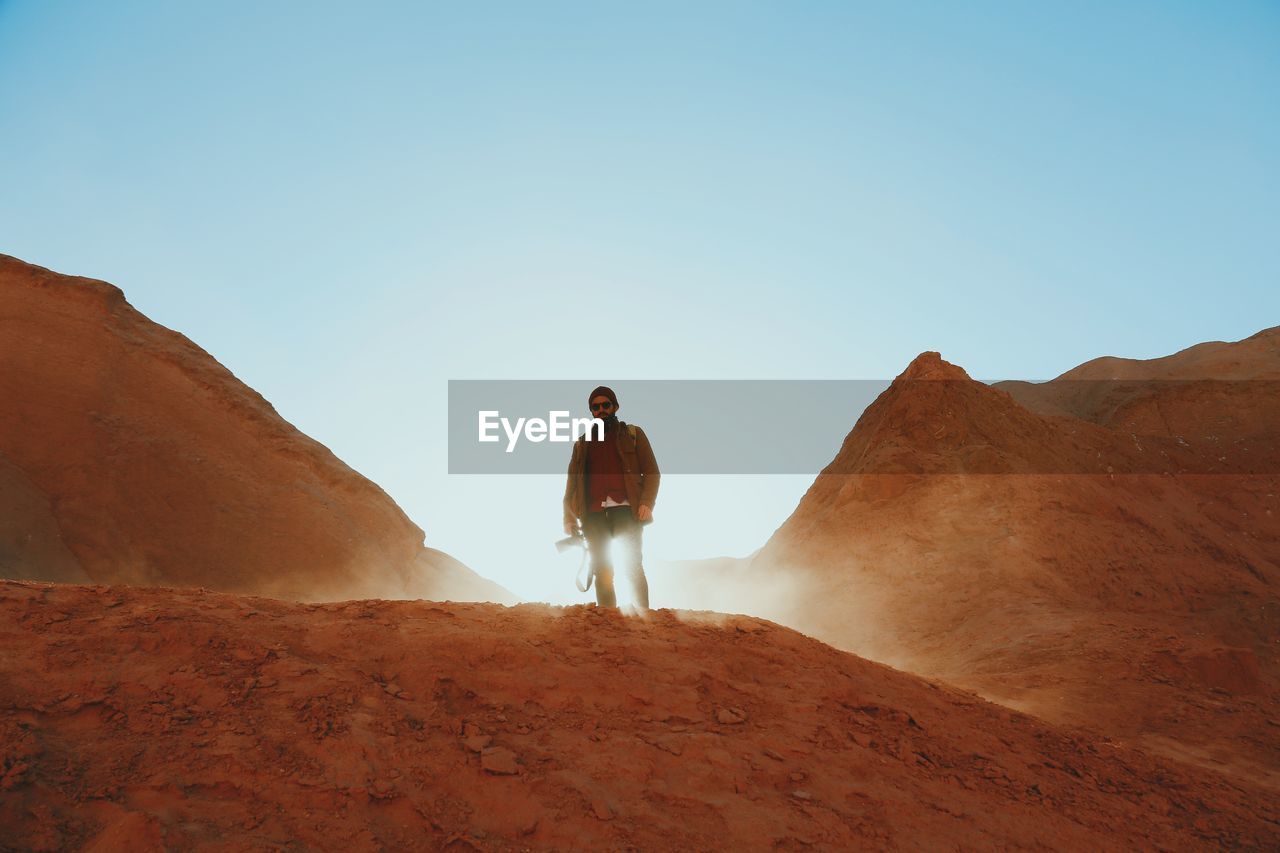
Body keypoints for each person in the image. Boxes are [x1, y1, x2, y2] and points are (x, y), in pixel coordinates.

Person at [562, 385, 660, 609]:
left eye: (606, 405)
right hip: (592, 513)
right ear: (591, 411)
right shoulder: (582, 444)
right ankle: (609, 623)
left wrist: (647, 502)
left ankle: (643, 622)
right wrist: (568, 517)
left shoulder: (634, 434)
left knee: (632, 566)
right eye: (595, 407)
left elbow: (652, 472)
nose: (601, 410)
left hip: (627, 509)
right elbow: (572, 485)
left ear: (615, 406)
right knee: (602, 569)